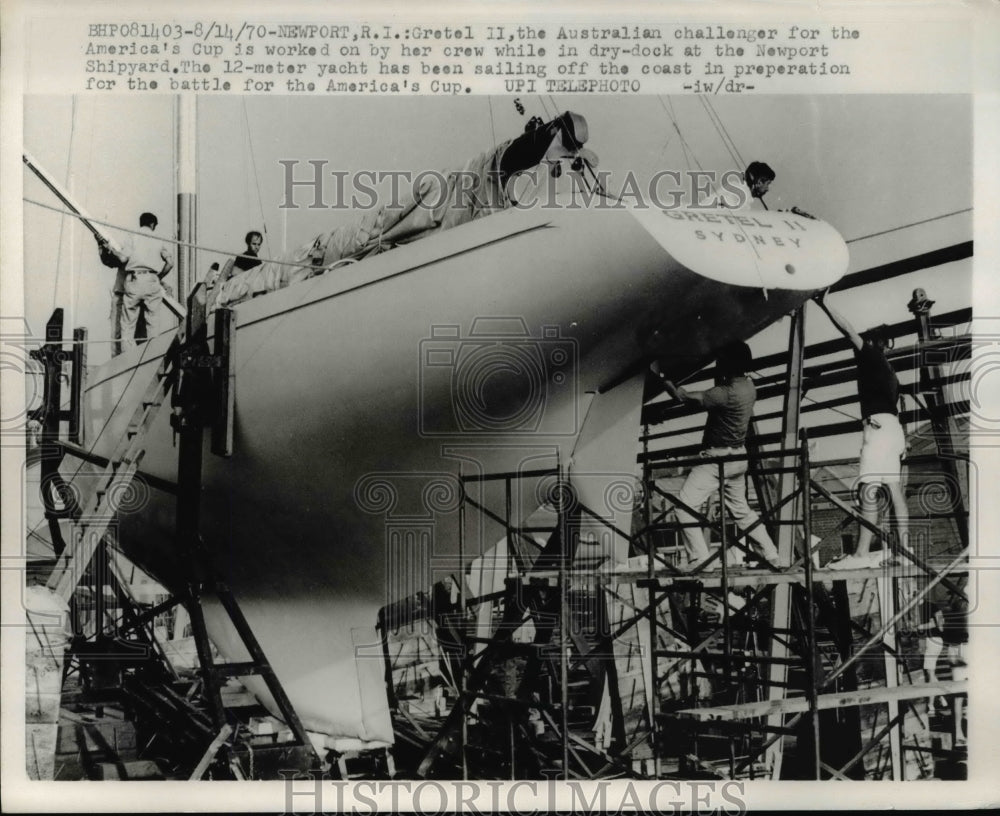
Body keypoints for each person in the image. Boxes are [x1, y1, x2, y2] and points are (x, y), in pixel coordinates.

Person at [651, 341, 782, 571]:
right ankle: (772, 554)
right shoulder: (750, 388)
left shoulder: (724, 394)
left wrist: (662, 376)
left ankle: (700, 560)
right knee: (741, 510)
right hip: (738, 458)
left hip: (716, 460)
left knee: (684, 505)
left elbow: (682, 397)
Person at [814, 292, 909, 569]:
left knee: (868, 490)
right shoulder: (891, 372)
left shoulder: (869, 355)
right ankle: (904, 551)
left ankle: (861, 554)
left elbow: (846, 328)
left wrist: (824, 303)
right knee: (894, 490)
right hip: (893, 430)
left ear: (871, 342)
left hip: (877, 430)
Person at [104, 212, 173, 352]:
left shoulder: (133, 236)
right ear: (153, 224)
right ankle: (153, 358)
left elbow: (123, 259)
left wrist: (110, 249)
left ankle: (127, 361)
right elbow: (170, 263)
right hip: (152, 281)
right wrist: (159, 278)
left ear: (141, 223)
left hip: (134, 280)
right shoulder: (159, 239)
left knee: (128, 326)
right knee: (153, 325)